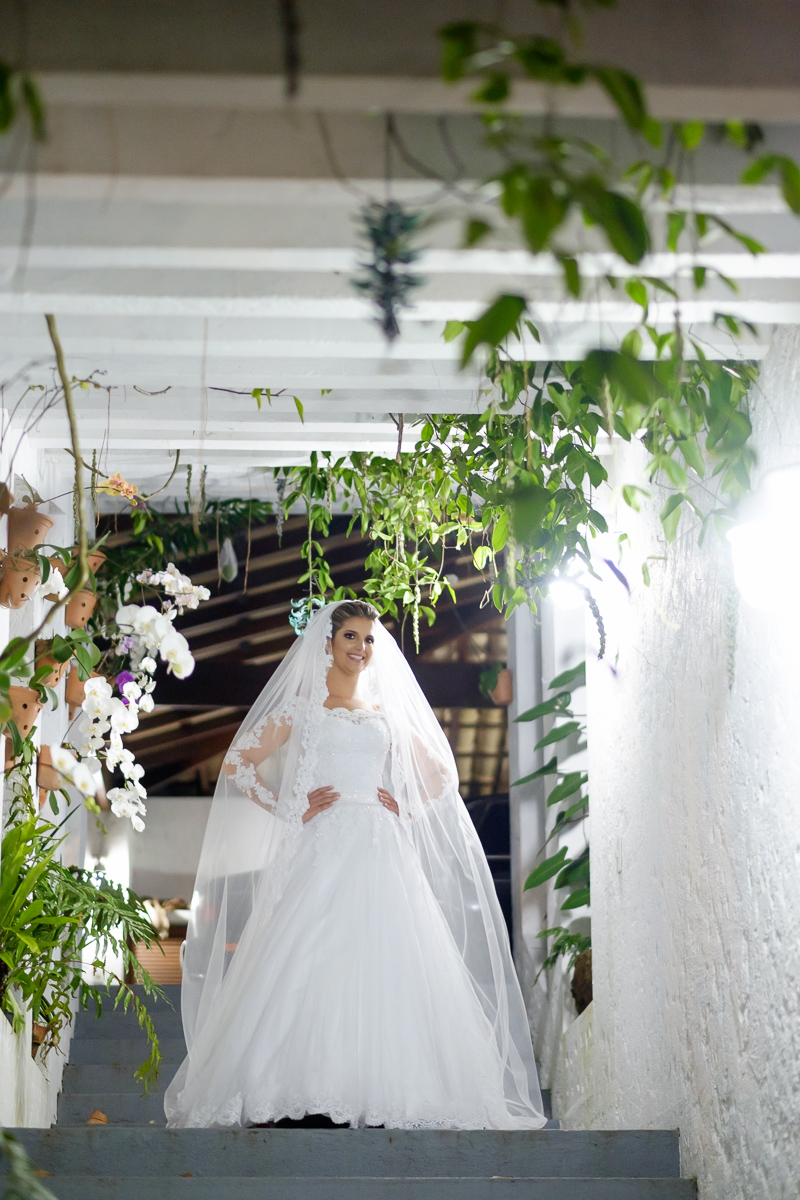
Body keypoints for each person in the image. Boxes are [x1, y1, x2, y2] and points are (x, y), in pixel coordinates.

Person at [164, 600, 546, 1130]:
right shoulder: (301, 708)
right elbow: (237, 763)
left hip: (381, 845)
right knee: (309, 950)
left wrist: (405, 806)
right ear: (327, 642)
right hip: (321, 844)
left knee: (387, 954)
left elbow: (442, 773)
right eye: (350, 636)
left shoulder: (384, 712)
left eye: (368, 639)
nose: (361, 647)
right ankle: (302, 1085)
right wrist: (288, 806)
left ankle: (385, 1088)